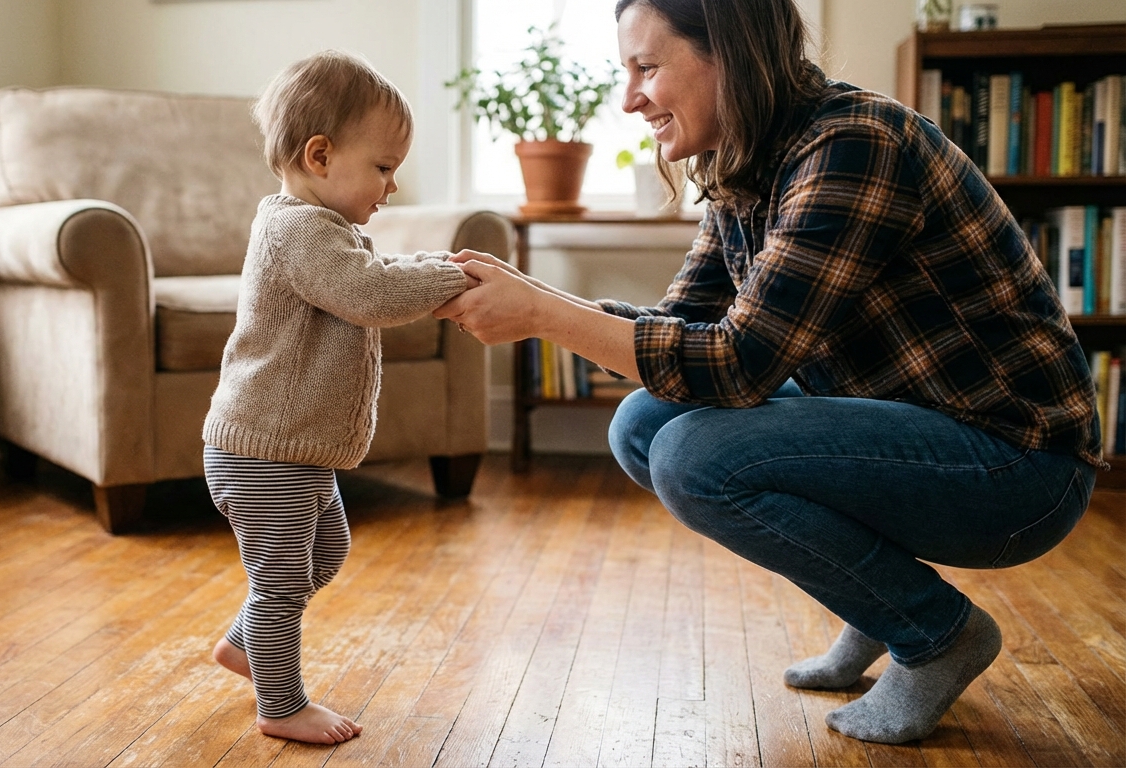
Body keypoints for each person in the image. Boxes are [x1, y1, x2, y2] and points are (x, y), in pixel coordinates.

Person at [435, 0, 1101, 745]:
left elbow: (735, 365)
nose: (629, 100)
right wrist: (534, 296)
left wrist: (544, 317)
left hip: (1018, 466)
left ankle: (936, 634)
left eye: (646, 68)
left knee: (694, 458)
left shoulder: (854, 142)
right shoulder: (742, 161)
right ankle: (879, 605)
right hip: (910, 423)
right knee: (644, 425)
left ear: (731, 52)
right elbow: (682, 324)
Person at [203, 50, 481, 744]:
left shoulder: (323, 230)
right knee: (281, 583)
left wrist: (431, 270)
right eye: (384, 167)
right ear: (320, 156)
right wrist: (447, 276)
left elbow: (369, 273)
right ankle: (281, 704)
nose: (392, 185)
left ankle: (243, 646)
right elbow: (370, 293)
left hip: (292, 448)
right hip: (263, 451)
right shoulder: (298, 230)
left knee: (325, 554)